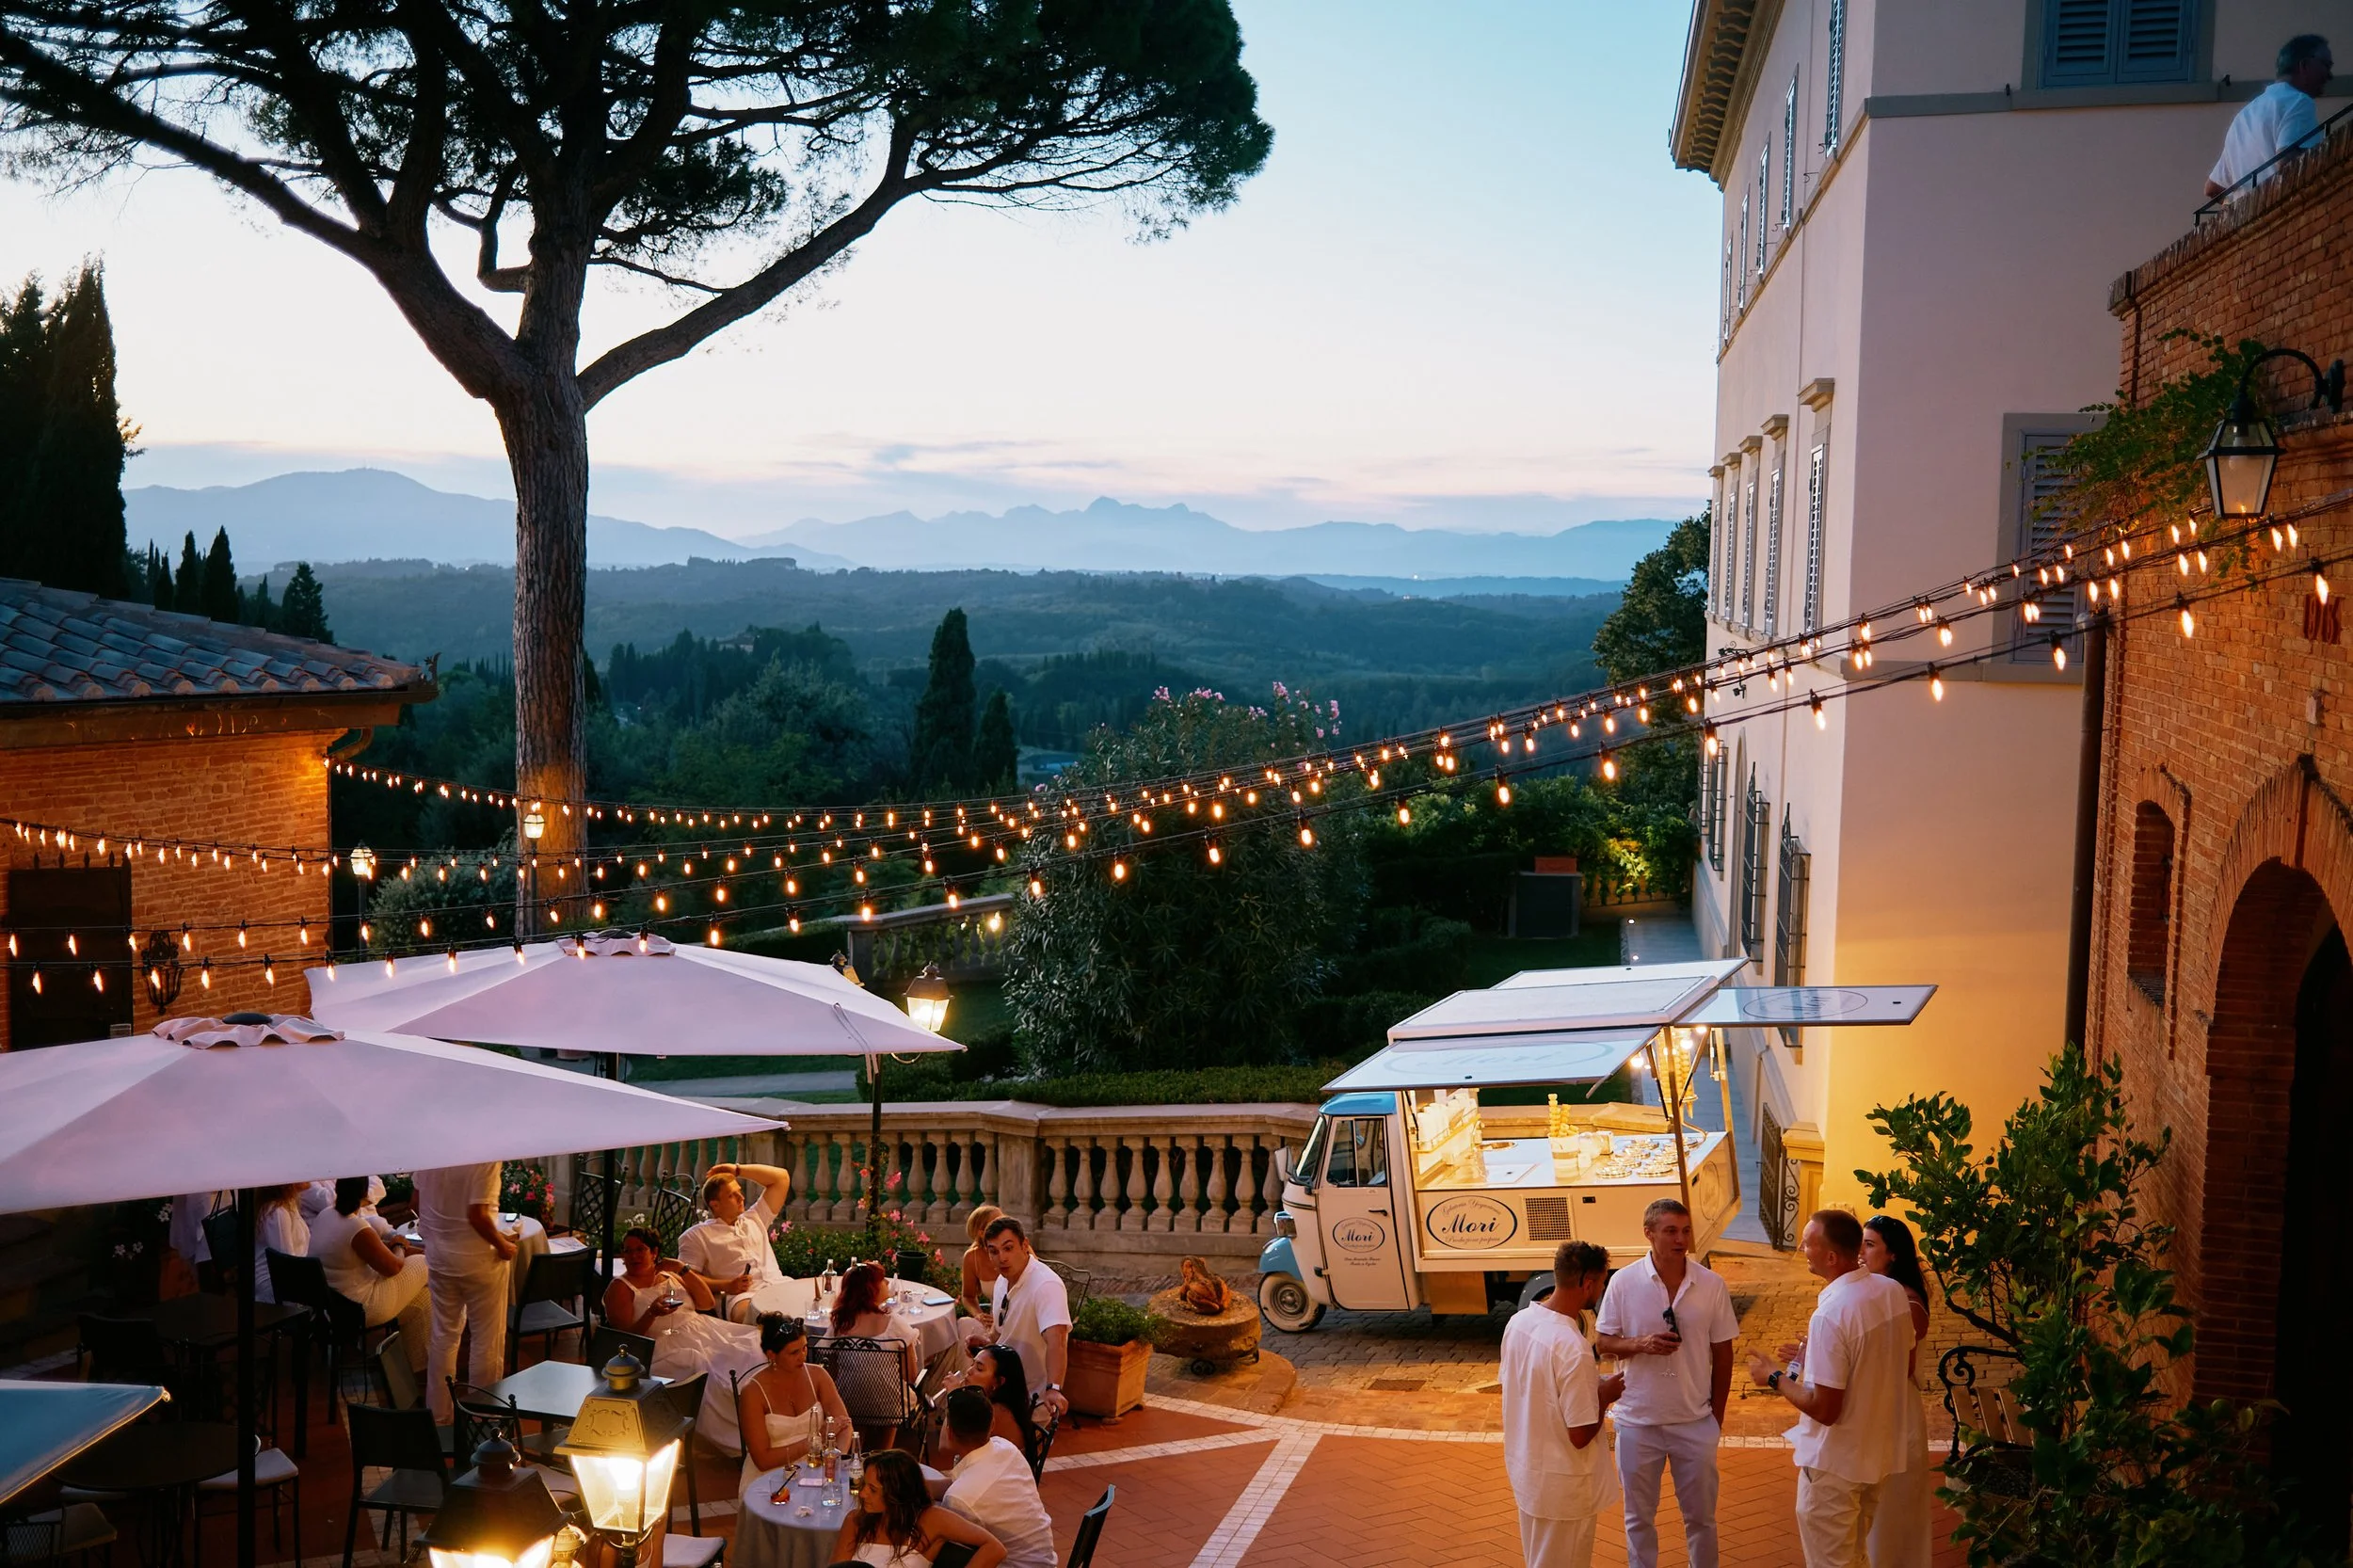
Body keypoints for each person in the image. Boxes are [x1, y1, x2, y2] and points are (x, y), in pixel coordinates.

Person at [1745, 1210, 1915, 1568]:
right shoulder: (1892, 1292)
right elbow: (1896, 1357)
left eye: (1809, 1242)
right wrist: (1816, 1355)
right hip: (1875, 1453)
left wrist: (1775, 1377)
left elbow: (1824, 1408)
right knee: (1855, 1557)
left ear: (1832, 1257)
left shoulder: (1832, 1314)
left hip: (1835, 1465)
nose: (1802, 1248)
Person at [1594, 1198, 1740, 1568]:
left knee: (1702, 1519)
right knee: (1638, 1519)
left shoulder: (1711, 1285)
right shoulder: (1623, 1283)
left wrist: (1715, 1420)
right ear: (1649, 1234)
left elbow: (1724, 1354)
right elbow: (1603, 1342)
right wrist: (1640, 1344)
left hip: (1694, 1423)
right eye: (1671, 1231)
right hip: (1637, 1422)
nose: (1681, 1239)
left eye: (1686, 1230)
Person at [1503, 1240, 1625, 1568]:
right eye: (1602, 1281)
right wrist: (1603, 1395)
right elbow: (1581, 1433)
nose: (1602, 1289)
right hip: (1563, 1487)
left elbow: (1531, 1387)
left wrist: (1589, 1387)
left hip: (1528, 1472)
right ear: (1587, 1283)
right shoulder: (1573, 1346)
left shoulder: (1518, 1324)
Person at [603, 1226, 767, 1453]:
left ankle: (767, 1418)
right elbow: (627, 1340)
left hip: (703, 1330)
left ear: (654, 1252)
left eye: (640, 1249)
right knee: (707, 1368)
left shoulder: (671, 1276)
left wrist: (682, 1269)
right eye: (628, 1251)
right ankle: (743, 1439)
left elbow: (707, 1303)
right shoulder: (621, 1288)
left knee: (751, 1343)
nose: (633, 1256)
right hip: (662, 1348)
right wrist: (651, 1313)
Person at [415, 1160, 519, 1423]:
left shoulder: (431, 1153)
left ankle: (439, 1417)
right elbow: (478, 1216)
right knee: (487, 1340)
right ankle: (484, 1420)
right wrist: (503, 1245)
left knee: (443, 1337)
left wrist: (434, 1235)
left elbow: (415, 1202)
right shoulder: (484, 1157)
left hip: (439, 1259)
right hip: (479, 1262)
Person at [1862, 1216, 1934, 1568]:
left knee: (1894, 1508)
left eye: (1870, 1244)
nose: (1861, 1251)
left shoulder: (1907, 1303)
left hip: (1897, 1412)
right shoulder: (1875, 1292)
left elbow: (1900, 1367)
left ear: (1893, 1255)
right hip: (1876, 1409)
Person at [309, 1176, 430, 1370]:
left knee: (425, 1299)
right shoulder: (356, 1228)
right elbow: (394, 1268)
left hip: (334, 1305)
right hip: (361, 1308)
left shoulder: (326, 1215)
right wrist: (399, 1245)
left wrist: (397, 1246)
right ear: (365, 1195)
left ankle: (419, 1369)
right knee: (425, 1263)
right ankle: (457, 1311)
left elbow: (373, 1249)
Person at [934, 1388, 1056, 1568]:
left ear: (950, 1433)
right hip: (1044, 1560)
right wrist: (919, 1485)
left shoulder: (960, 1498)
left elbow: (946, 1541)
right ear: (992, 1425)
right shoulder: (1005, 1448)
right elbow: (960, 1485)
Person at [963, 1218, 1070, 1418]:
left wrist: (1054, 1388)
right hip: (999, 1388)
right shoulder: (1002, 1282)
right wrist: (986, 1342)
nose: (1001, 1258)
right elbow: (1000, 1331)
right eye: (994, 1251)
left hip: (1029, 1399)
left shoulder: (1046, 1285)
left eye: (1008, 1248)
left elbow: (1058, 1341)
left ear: (1025, 1245)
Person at [735, 1313, 851, 1495]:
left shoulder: (818, 1376)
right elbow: (763, 1459)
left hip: (817, 1468)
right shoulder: (753, 1392)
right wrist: (814, 1441)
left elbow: (844, 1424)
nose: (802, 1357)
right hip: (770, 1477)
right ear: (771, 1354)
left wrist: (835, 1461)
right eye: (794, 1352)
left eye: (804, 1348)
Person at [833, 1448, 1005, 1568]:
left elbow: (994, 1548)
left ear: (897, 1492)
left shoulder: (931, 1519)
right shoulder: (856, 1521)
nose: (862, 1494)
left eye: (872, 1490)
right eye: (864, 1485)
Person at [2207, 35, 2332, 199]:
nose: (2329, 75)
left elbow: (2212, 188)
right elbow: (2289, 163)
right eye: (2326, 65)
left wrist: (2239, 207)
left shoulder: (2242, 118)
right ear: (2304, 65)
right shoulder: (2298, 101)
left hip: (2250, 222)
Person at [678, 1160, 791, 1322]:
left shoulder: (755, 1218)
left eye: (740, 1191)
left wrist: (738, 1170)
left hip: (779, 1285)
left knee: (819, 1304)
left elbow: (781, 1178)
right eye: (732, 1195)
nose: (741, 1198)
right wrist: (727, 1285)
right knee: (763, 1320)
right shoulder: (698, 1235)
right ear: (715, 1205)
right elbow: (686, 1277)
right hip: (743, 1297)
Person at [930, 1344, 1035, 1467]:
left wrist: (954, 1397)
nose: (969, 1371)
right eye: (972, 1364)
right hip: (983, 1477)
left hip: (994, 1483)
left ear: (998, 1382)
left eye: (979, 1369)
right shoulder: (987, 1405)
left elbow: (946, 1446)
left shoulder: (996, 1412)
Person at [832, 1259, 924, 1384]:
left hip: (845, 1402)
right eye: (881, 1280)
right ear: (870, 1289)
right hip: (892, 1401)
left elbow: (827, 1369)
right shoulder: (893, 1323)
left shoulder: (839, 1322)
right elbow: (910, 1376)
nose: (887, 1282)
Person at [251, 1184, 311, 1304]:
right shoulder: (277, 1212)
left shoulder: (289, 1204)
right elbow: (285, 1263)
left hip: (292, 1277)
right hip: (273, 1286)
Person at [957, 1205, 1004, 1320]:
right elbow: (968, 1296)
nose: (1004, 1227)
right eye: (997, 1224)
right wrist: (980, 1315)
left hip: (1024, 1318)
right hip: (995, 1322)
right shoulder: (972, 1257)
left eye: (1004, 1221)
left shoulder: (1019, 1248)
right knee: (963, 1324)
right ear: (982, 1233)